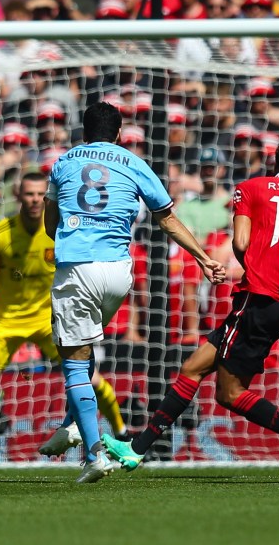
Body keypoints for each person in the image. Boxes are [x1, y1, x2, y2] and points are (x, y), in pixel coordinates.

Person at [103, 139, 279, 474]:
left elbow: (240, 242)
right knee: (192, 369)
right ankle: (137, 448)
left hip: (257, 296)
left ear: (274, 162)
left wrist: (252, 265)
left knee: (229, 393)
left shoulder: (249, 188)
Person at [42, 102, 225, 483]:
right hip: (119, 274)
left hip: (78, 268)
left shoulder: (63, 162)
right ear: (120, 134)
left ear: (81, 131)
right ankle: (70, 424)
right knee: (85, 347)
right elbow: (168, 219)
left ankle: (93, 454)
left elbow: (49, 224)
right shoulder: (134, 163)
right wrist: (205, 259)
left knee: (74, 361)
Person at [0, 172, 127, 469]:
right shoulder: (0, 235)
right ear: (18, 196)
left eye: (38, 194)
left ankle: (122, 435)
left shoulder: (59, 232)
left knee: (91, 380)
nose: (34, 200)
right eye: (28, 194)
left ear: (46, 197)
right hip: (6, 324)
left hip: (49, 321)